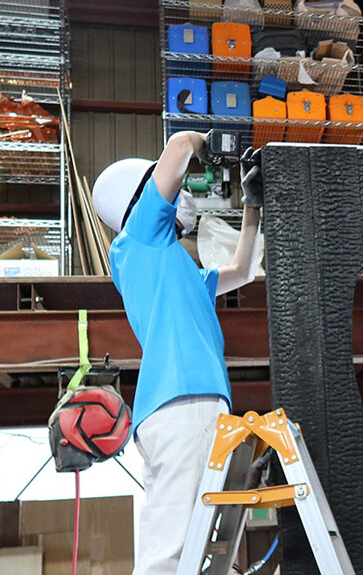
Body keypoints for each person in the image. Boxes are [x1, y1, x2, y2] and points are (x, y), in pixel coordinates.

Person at [91, 130, 264, 575]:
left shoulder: (175, 266)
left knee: (191, 551)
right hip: (179, 402)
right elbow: (180, 145)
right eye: (173, 189)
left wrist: (251, 202)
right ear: (141, 197)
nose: (183, 195)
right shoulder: (138, 239)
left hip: (196, 404)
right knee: (166, 557)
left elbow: (242, 270)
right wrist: (212, 142)